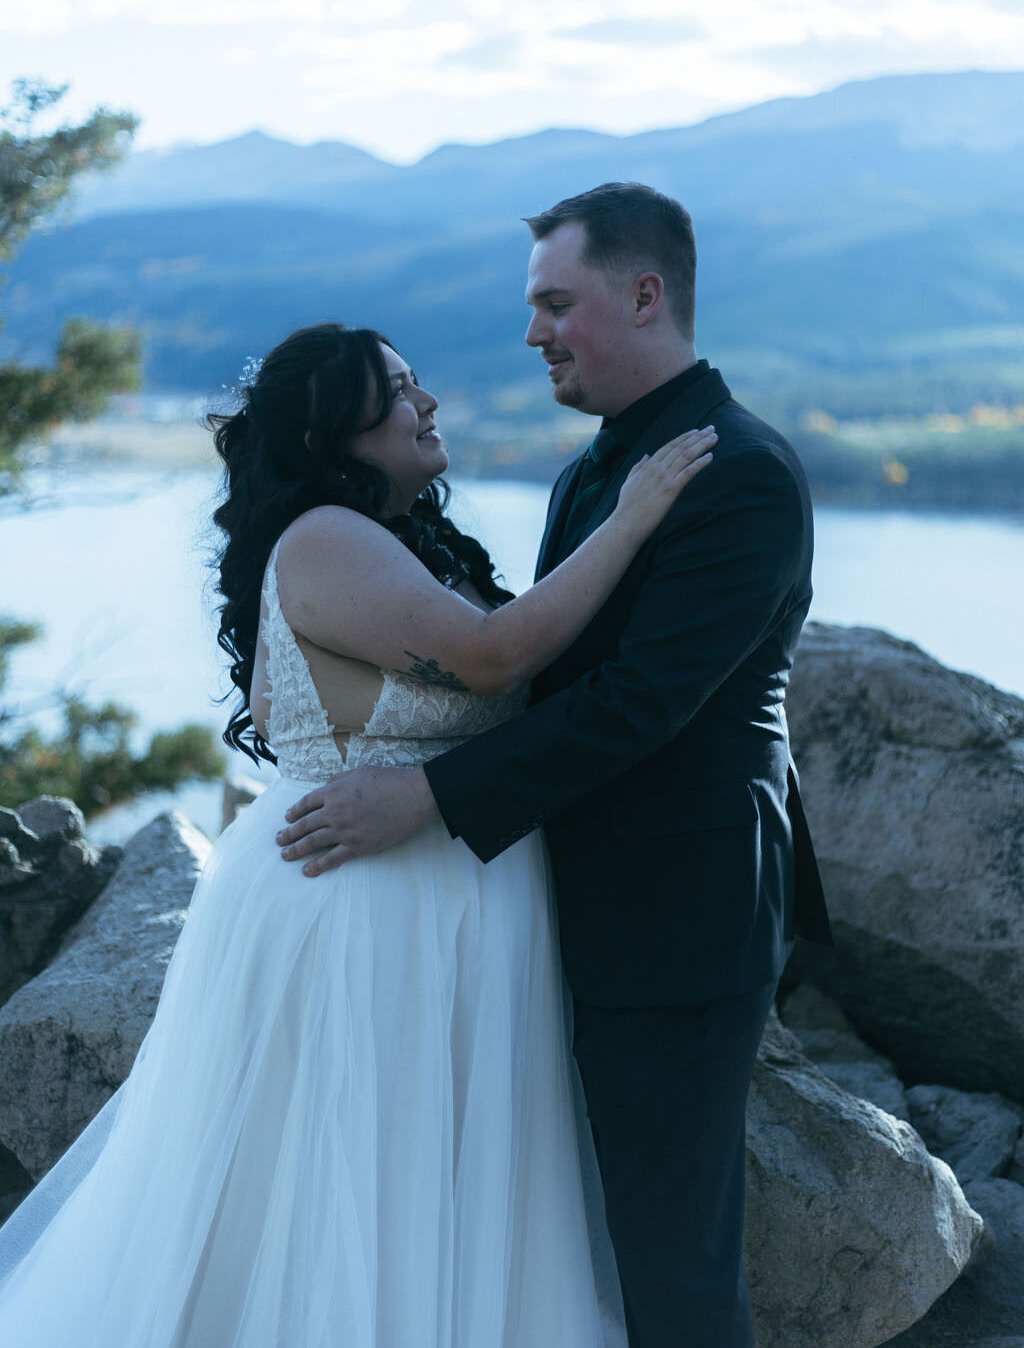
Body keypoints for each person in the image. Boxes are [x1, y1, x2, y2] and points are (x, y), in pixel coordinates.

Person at [0, 320, 716, 1347]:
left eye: (421, 383)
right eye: (399, 389)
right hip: (361, 907)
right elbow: (490, 657)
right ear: (334, 430)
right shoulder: (325, 541)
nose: (427, 404)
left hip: (452, 898)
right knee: (352, 1199)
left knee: (438, 1200)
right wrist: (634, 518)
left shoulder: (401, 540)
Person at [278, 184, 834, 1348]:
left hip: (676, 915)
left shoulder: (738, 472)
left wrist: (423, 795)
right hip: (557, 907)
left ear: (643, 295)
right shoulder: (598, 473)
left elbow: (641, 704)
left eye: (552, 304)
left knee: (667, 1260)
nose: (531, 333)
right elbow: (525, 667)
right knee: (566, 1237)